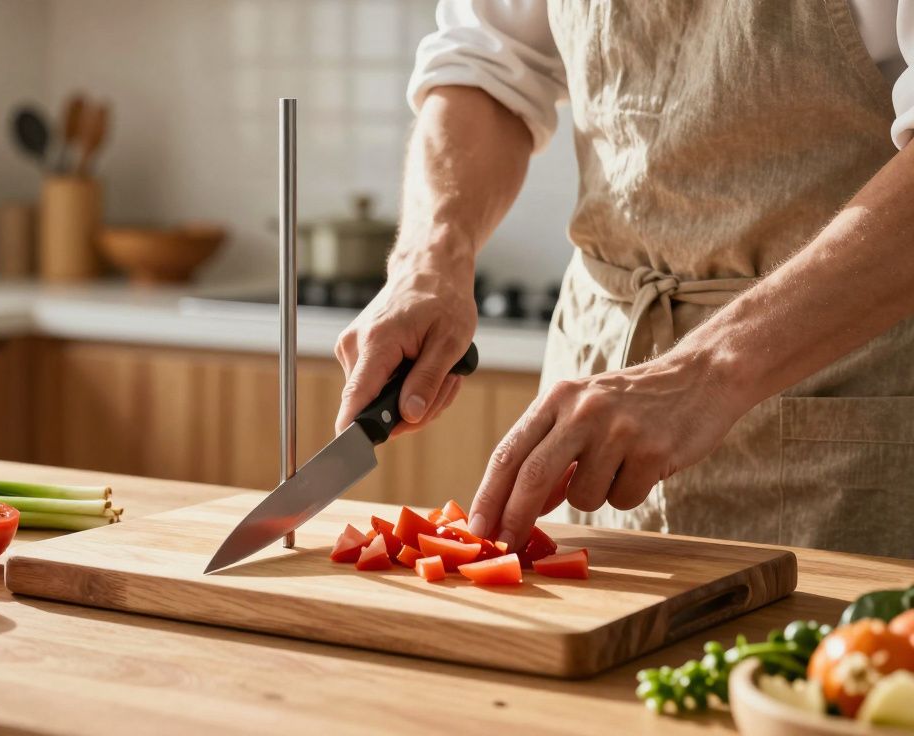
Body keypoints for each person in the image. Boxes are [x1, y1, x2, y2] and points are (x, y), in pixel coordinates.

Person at [334, 1, 914, 558]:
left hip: (848, 395)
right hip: (598, 388)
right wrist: (428, 260)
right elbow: (486, 64)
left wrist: (706, 371)